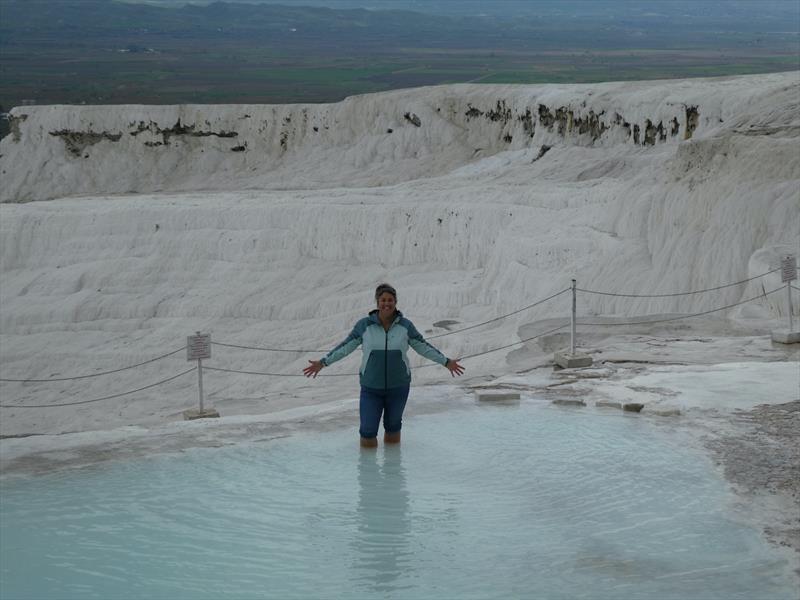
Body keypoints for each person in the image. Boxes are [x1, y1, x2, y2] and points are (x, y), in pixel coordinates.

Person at [303, 283, 465, 447]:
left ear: (395, 302)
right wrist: (323, 363)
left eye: (390, 300)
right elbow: (345, 347)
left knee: (393, 428)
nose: (386, 303)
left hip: (398, 386)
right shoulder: (364, 325)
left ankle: (392, 469)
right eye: (383, 300)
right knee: (367, 431)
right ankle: (367, 471)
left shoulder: (405, 326)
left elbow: (423, 347)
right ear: (377, 302)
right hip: (371, 387)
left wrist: (446, 362)